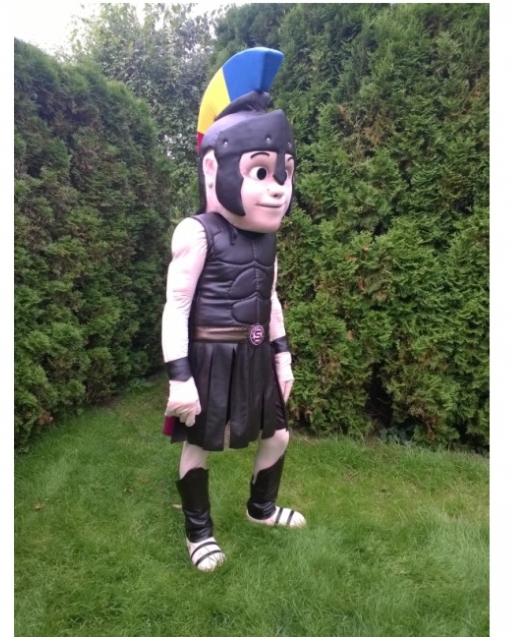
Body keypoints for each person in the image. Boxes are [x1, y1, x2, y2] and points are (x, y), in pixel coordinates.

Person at [161, 48, 306, 572]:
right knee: (201, 444)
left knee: (279, 433)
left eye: (284, 173)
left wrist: (282, 357)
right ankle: (198, 533)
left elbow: (270, 299)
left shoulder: (267, 243)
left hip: (256, 355)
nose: (277, 188)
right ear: (212, 169)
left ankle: (260, 508)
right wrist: (180, 378)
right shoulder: (196, 232)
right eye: (260, 170)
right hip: (210, 357)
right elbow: (176, 306)